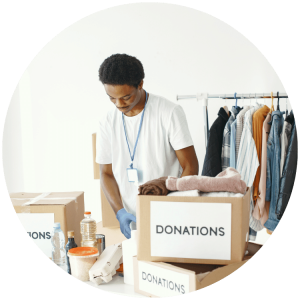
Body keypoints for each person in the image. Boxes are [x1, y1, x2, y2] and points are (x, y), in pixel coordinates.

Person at [96, 53, 199, 239]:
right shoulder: (107, 122)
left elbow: (190, 166)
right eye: (112, 98)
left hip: (170, 216)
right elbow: (106, 173)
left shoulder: (169, 112)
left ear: (140, 84)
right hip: (132, 220)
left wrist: (175, 206)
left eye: (126, 97)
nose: (119, 104)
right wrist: (120, 213)